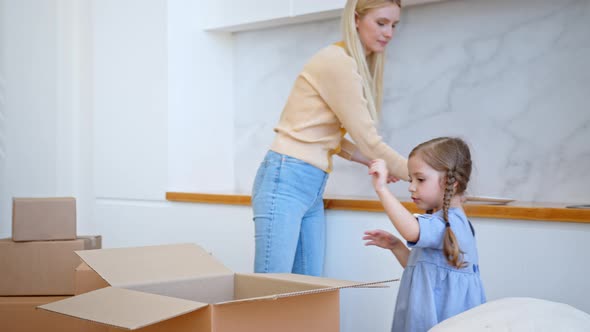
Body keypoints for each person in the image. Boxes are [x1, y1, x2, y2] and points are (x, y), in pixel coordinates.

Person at [252, 0, 409, 277]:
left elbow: (325, 138)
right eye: (381, 23)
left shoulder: (347, 64)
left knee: (308, 289)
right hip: (286, 178)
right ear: (356, 20)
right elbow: (369, 140)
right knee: (269, 290)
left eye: (394, 25)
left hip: (309, 183)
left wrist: (372, 161)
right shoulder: (338, 63)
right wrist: (423, 175)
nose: (389, 33)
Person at [363, 137, 486, 332]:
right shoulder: (441, 223)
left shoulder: (451, 223)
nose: (411, 187)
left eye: (420, 179)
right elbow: (422, 270)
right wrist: (396, 246)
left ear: (449, 183)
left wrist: (381, 189)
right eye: (411, 179)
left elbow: (411, 229)